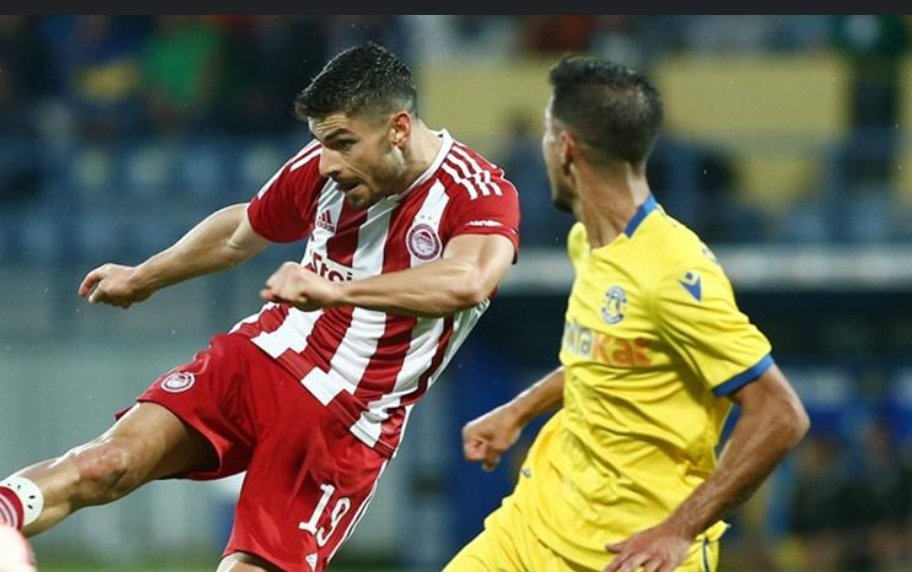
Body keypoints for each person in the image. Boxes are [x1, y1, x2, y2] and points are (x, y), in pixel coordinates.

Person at [0, 42, 520, 572]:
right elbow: (241, 232)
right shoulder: (323, 167)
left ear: (399, 129)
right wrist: (142, 277)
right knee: (106, 463)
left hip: (347, 419)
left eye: (343, 144)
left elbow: (468, 281)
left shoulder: (477, 193)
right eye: (320, 143)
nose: (328, 164)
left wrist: (337, 292)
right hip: (263, 356)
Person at [444, 55, 809, 572]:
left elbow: (781, 413)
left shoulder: (671, 271)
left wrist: (679, 530)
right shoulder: (588, 242)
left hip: (630, 554)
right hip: (532, 529)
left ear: (566, 147)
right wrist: (518, 411)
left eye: (547, 133)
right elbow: (606, 358)